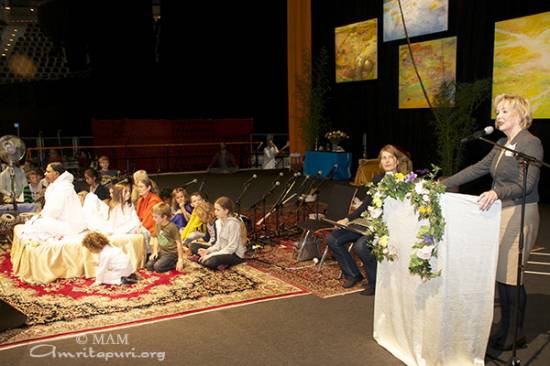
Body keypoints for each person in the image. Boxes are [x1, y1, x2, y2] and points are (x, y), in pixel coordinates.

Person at [441, 94, 543, 351]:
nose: (498, 116)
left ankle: (515, 332)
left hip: (520, 211)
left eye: (504, 111)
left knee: (511, 274)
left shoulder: (531, 143)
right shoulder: (500, 143)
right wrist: (442, 184)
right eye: (498, 111)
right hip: (500, 212)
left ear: (520, 114)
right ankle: (504, 326)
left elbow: (526, 184)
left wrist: (498, 192)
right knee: (500, 273)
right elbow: (477, 169)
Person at [326, 144, 407, 295]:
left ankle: (375, 284)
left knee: (361, 246)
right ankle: (353, 274)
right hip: (367, 223)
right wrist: (347, 218)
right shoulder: (377, 179)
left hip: (386, 227)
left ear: (397, 161)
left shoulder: (402, 183)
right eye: (384, 158)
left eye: (390, 157)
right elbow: (366, 204)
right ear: (380, 162)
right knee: (333, 239)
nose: (387, 161)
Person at [22, 162, 86, 237]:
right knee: (36, 220)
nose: (45, 174)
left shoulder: (63, 188)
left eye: (48, 172)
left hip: (68, 224)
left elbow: (54, 211)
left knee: (38, 223)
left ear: (56, 174)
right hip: (59, 219)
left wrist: (41, 216)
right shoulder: (56, 185)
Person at [194, 196, 246, 270]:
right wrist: (208, 251)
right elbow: (218, 244)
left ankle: (214, 260)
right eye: (215, 209)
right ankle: (218, 261)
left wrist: (211, 255)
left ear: (226, 211)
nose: (215, 212)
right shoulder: (218, 222)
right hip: (222, 250)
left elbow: (232, 248)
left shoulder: (233, 224)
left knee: (211, 261)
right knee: (194, 246)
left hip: (235, 254)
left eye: (218, 210)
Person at [146, 202, 185, 273]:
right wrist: (155, 252)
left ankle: (174, 263)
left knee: (157, 267)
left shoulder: (172, 227)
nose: (153, 219)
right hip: (162, 251)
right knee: (149, 266)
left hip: (172, 253)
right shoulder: (157, 224)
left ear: (164, 217)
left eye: (155, 217)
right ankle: (164, 261)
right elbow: (156, 238)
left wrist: (180, 259)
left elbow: (179, 243)